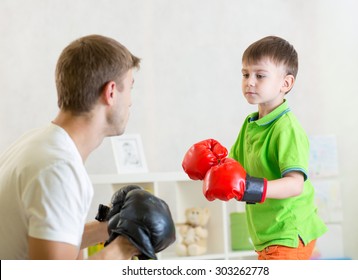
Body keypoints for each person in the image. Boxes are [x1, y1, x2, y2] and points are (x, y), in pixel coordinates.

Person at [0, 34, 175, 260]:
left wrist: (112, 225)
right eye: (130, 88)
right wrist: (125, 246)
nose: (131, 101)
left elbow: (46, 239)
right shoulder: (58, 169)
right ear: (111, 92)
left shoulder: (37, 146)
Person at [182, 36, 327, 260]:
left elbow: (295, 184)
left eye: (260, 75)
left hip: (288, 232)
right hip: (267, 235)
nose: (250, 81)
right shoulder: (251, 125)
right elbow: (234, 167)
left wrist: (253, 188)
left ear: (285, 83)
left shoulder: (286, 128)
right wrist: (208, 166)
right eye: (245, 74)